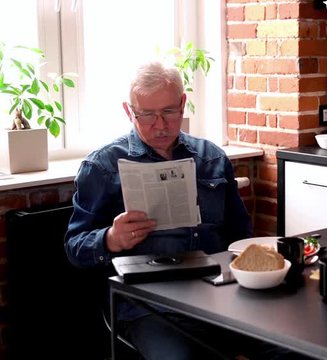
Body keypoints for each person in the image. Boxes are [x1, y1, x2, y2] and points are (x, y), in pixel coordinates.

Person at [64, 61, 286, 360]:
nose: (160, 125)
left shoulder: (211, 157)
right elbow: (74, 247)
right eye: (147, 115)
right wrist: (111, 239)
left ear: (183, 104)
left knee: (290, 348)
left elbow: (240, 236)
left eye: (169, 112)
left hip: (217, 296)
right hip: (148, 308)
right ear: (129, 112)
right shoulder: (102, 166)